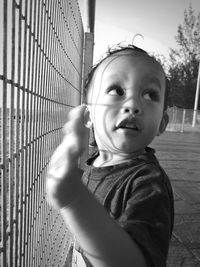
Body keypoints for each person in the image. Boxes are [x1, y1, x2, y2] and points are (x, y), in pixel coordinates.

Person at [46, 44, 174, 267]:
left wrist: (73, 198)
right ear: (88, 115)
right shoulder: (93, 162)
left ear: (161, 123)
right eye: (117, 91)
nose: (133, 105)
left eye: (150, 94)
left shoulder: (149, 184)